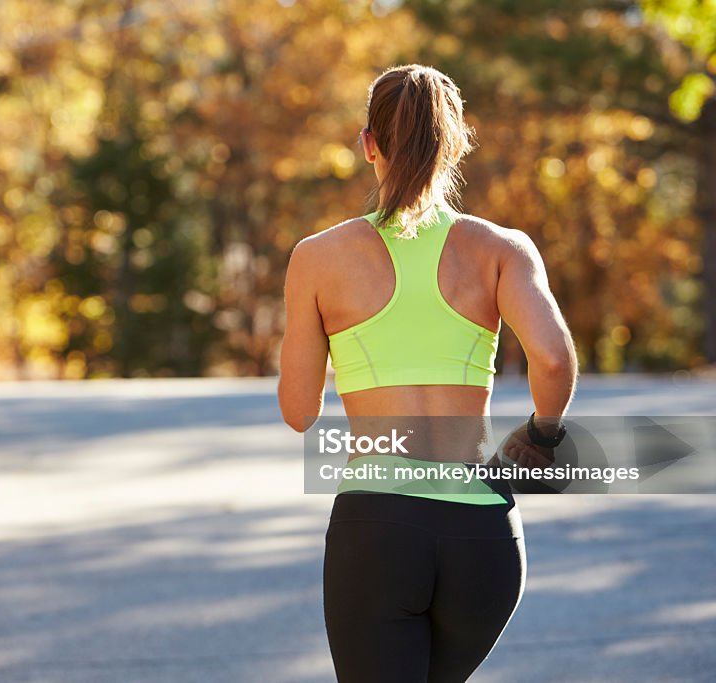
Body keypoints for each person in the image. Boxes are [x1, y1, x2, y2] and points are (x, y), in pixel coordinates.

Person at [277, 64, 579, 682]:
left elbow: (299, 411)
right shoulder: (502, 249)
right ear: (458, 140)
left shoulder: (316, 259)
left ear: (368, 145)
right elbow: (552, 358)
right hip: (483, 532)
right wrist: (543, 437)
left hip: (378, 530)